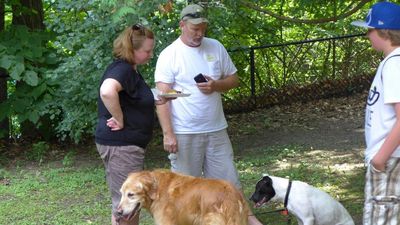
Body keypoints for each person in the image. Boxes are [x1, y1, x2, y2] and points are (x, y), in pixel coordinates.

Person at [154, 4, 262, 225]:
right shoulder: (169, 55)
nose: (199, 33)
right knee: (184, 189)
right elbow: (162, 97)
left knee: (229, 182)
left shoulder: (215, 47)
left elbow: (233, 79)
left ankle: (247, 219)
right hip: (185, 132)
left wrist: (216, 85)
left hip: (216, 130)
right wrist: (168, 134)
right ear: (182, 25)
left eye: (203, 28)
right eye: (194, 28)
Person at [95, 24, 168, 225]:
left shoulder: (130, 71)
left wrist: (153, 99)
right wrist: (118, 118)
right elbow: (107, 91)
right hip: (122, 147)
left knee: (127, 203)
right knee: (127, 204)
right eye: (147, 50)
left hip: (125, 146)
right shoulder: (123, 69)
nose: (151, 54)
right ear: (131, 49)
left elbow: (131, 99)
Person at [351, 2, 400, 225]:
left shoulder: (395, 65)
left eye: (369, 29)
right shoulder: (390, 62)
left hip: (388, 158)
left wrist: (380, 158)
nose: (367, 34)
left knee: (380, 219)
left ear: (384, 31)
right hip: (386, 156)